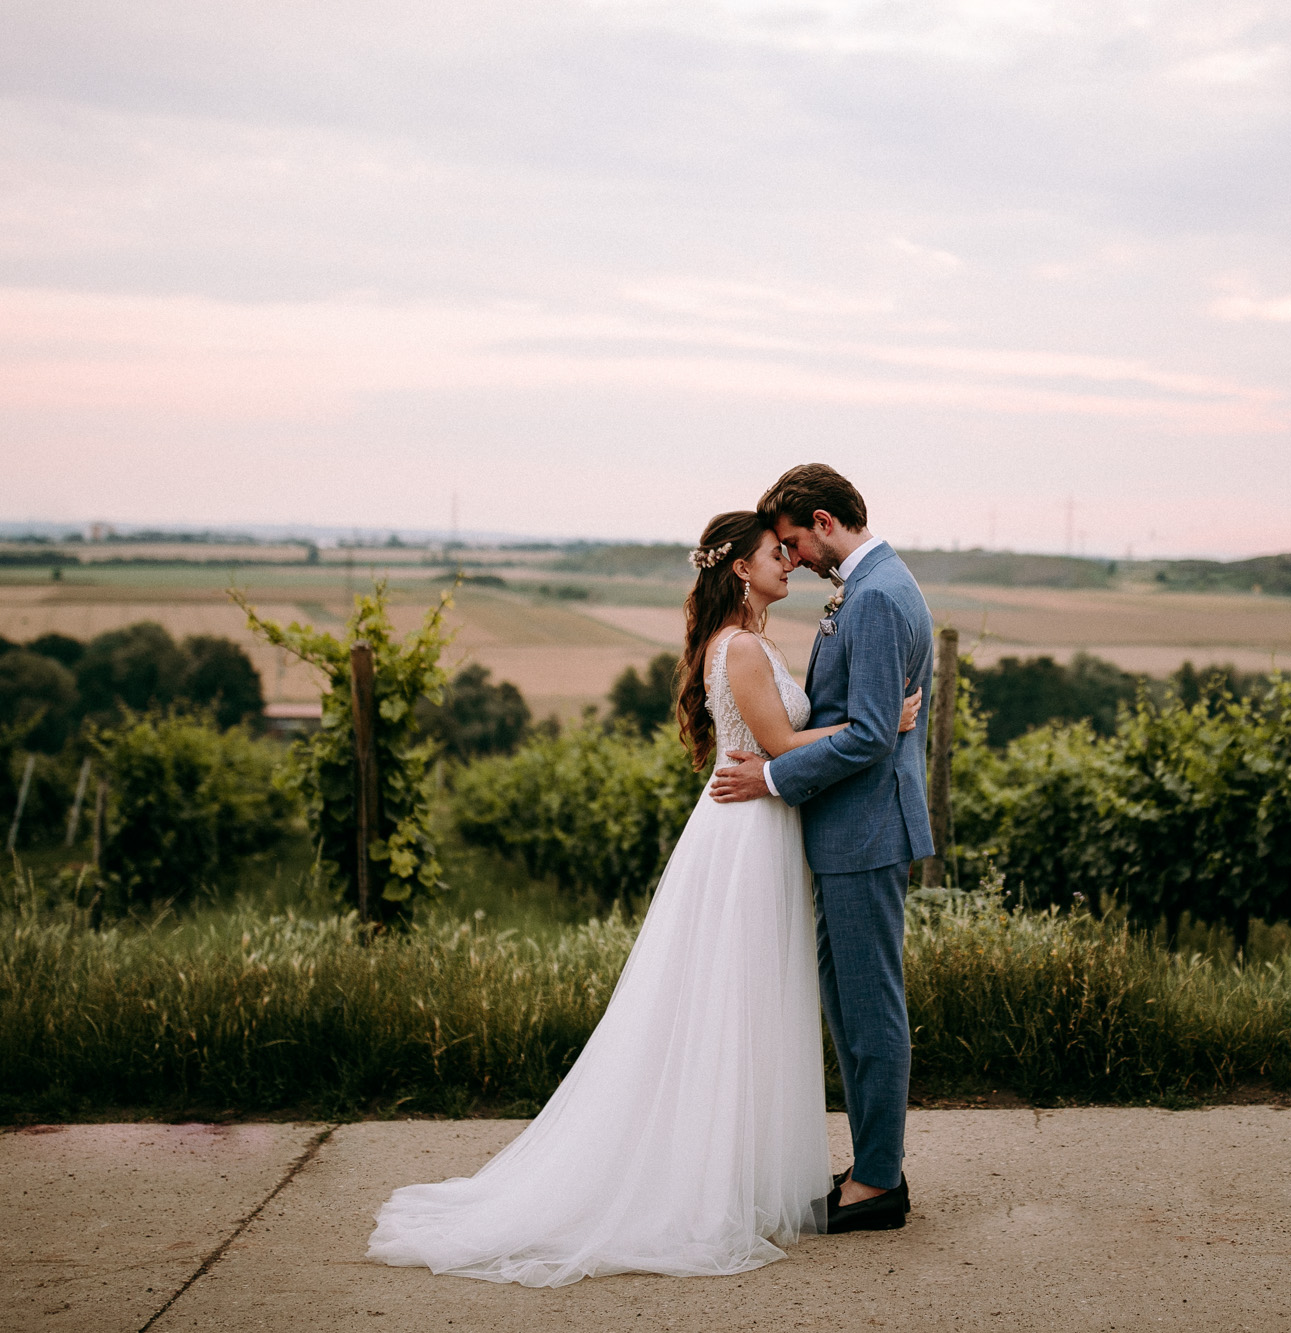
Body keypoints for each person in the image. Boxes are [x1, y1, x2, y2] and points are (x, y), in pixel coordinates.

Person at [367, 506, 922, 1287]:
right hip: (746, 831)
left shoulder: (750, 641)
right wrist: (878, 727)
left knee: (743, 999)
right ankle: (710, 1177)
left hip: (759, 824)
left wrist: (858, 728)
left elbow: (785, 738)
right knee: (731, 1000)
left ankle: (744, 1166)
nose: (788, 562)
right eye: (776, 552)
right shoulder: (741, 648)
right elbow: (778, 745)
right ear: (741, 567)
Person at [709, 463, 936, 1234]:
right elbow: (868, 721)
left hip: (867, 831)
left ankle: (878, 1181)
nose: (794, 557)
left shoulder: (876, 598)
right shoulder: (872, 588)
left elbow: (870, 735)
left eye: (794, 541)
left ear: (824, 522)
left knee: (870, 1008)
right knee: (850, 1002)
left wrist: (772, 776)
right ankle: (874, 1163)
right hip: (853, 832)